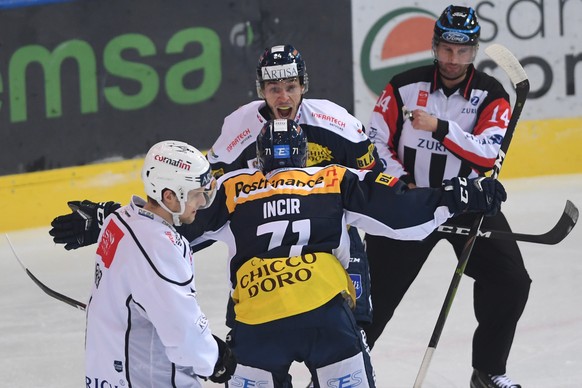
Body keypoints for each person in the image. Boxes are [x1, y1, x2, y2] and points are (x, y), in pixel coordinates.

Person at [50, 44, 381, 328]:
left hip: (331, 238)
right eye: (274, 88)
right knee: (250, 333)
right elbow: (200, 200)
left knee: (354, 328)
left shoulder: (338, 124)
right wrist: (118, 222)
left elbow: (375, 184)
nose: (283, 97)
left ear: (303, 86)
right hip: (261, 241)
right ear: (260, 89)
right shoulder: (240, 129)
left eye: (291, 87)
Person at [178, 119, 506, 387]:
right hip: (325, 316)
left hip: (256, 320)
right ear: (304, 154)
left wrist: (133, 221)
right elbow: (403, 211)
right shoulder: (334, 177)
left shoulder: (232, 187)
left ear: (260, 157)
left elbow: (175, 229)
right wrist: (460, 195)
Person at [362, 6, 531, 388]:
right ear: (435, 47)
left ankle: (488, 371)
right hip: (408, 203)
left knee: (511, 282)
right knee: (373, 300)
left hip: (465, 203)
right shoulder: (403, 85)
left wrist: (440, 127)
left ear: (473, 52)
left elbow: (487, 154)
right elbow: (374, 144)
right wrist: (401, 184)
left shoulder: (491, 95)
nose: (453, 60)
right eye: (446, 50)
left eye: (463, 52)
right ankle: (343, 373)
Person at [84, 140, 236, 387]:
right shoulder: (159, 246)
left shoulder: (120, 219)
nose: (201, 203)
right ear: (169, 196)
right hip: (150, 378)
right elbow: (181, 330)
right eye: (197, 195)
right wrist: (214, 359)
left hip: (110, 373)